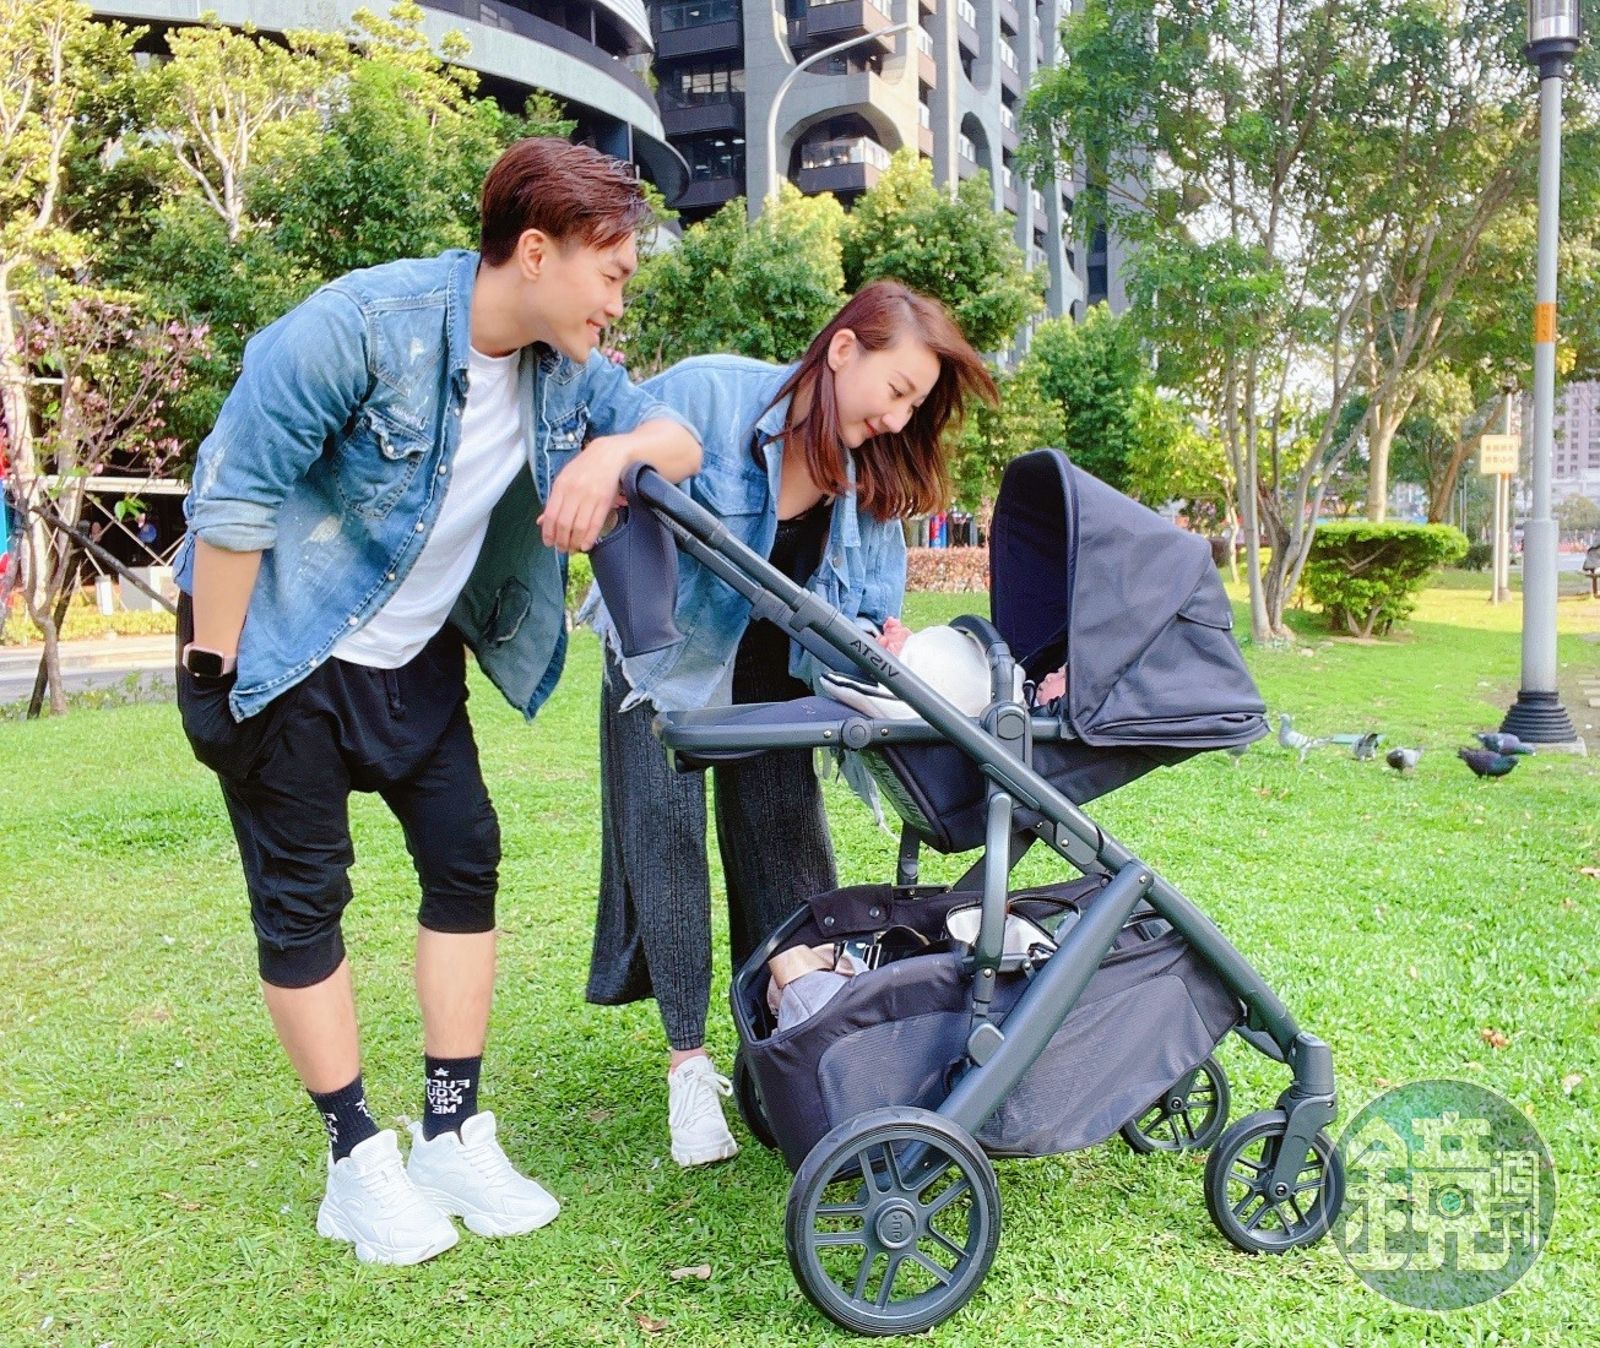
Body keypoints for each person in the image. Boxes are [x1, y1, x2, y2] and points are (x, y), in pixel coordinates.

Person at [172, 138, 701, 1265]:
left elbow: (680, 439)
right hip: (283, 646)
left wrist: (606, 457)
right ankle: (355, 1157)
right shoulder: (364, 324)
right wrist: (214, 674)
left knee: (466, 857)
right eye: (611, 273)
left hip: (412, 655)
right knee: (304, 896)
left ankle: (450, 1134)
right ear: (535, 252)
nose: (619, 300)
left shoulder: (565, 367)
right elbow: (236, 494)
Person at [582, 281, 996, 1165]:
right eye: (897, 390)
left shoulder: (873, 472)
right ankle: (688, 1068)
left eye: (915, 404)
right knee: (665, 836)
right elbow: (615, 477)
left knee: (782, 827)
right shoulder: (711, 394)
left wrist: (884, 640)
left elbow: (868, 613)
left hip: (778, 661)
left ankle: (791, 1030)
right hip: (667, 651)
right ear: (843, 350)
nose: (899, 418)